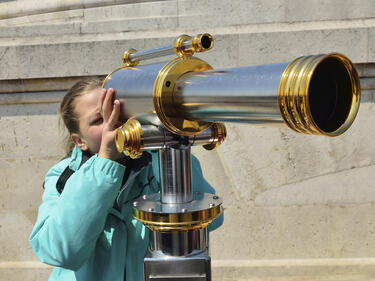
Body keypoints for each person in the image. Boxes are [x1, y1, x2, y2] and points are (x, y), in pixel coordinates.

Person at [29, 77, 223, 281]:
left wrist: (166, 142)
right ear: (79, 141)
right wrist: (106, 160)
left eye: (117, 112)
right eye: (98, 119)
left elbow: (211, 221)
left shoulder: (158, 161)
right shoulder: (63, 176)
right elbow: (61, 252)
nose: (114, 122)